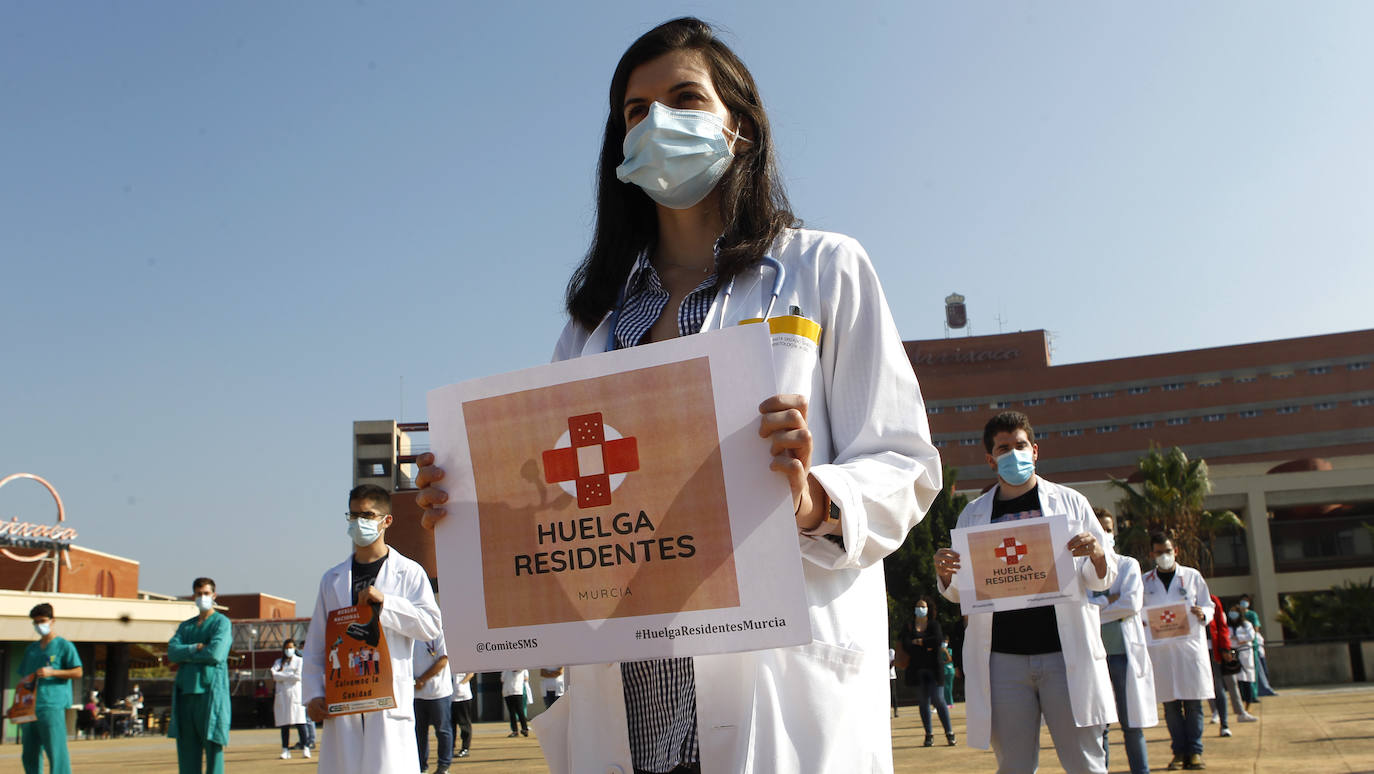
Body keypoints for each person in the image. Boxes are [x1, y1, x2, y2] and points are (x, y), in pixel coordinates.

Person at [414, 17, 941, 773]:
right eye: (637, 110)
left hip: (775, 687)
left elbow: (904, 462)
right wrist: (473, 520)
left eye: (686, 99)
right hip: (628, 694)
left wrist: (813, 500)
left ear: (740, 126)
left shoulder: (824, 269)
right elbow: (565, 505)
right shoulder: (591, 324)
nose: (659, 122)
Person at [935, 411, 1117, 774]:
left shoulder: (1070, 503)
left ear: (1034, 451)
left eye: (1020, 445)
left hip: (1065, 655)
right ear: (990, 460)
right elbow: (960, 593)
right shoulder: (973, 515)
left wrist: (1098, 553)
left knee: (1085, 763)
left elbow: (1101, 579)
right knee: (1014, 765)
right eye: (1004, 448)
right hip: (1003, 662)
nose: (1014, 454)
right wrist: (944, 573)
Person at [302, 484, 444, 774]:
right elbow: (317, 643)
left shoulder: (409, 572)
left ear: (386, 520)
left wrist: (387, 605)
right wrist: (314, 694)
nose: (359, 523)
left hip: (386, 698)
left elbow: (430, 626)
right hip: (344, 698)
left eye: (367, 515)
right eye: (353, 515)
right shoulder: (332, 579)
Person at [1089, 511, 1156, 774]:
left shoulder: (1128, 565)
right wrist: (1109, 600)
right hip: (1094, 658)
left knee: (1132, 724)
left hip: (1124, 656)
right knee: (1099, 726)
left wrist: (1094, 609)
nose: (1104, 534)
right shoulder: (1079, 571)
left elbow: (1131, 604)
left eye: (1108, 529)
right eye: (1099, 529)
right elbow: (1078, 609)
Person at [1142, 534, 1215, 771]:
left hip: (1188, 649)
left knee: (1193, 703)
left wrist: (1203, 614)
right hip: (1161, 652)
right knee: (1171, 707)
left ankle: (1195, 751)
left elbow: (1209, 605)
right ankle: (1179, 752)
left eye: (1167, 551)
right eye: (1159, 552)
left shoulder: (1192, 576)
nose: (1164, 556)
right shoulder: (1145, 582)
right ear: (1151, 554)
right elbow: (1136, 611)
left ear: (1176, 551)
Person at [168, 578, 232, 774]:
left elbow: (216, 653)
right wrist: (196, 647)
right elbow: (172, 652)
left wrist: (186, 655)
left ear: (214, 595)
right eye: (199, 594)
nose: (202, 597)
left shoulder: (221, 623)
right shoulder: (185, 627)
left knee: (213, 747)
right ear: (193, 596)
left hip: (210, 693)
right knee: (187, 751)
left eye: (206, 593)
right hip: (185, 693)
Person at [20, 602, 83, 774]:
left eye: (42, 621)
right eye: (35, 622)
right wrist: (17, 705)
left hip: (51, 705)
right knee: (29, 751)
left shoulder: (64, 646)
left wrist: (53, 672)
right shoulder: (31, 650)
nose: (39, 625)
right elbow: (23, 679)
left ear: (52, 621)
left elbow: (78, 671)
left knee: (56, 750)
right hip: (29, 706)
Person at [898, 596, 955, 747]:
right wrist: (925, 645)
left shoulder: (934, 624)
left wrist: (919, 641)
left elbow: (937, 641)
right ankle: (929, 734)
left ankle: (949, 732)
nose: (920, 609)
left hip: (935, 669)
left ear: (929, 609)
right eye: (918, 606)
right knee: (923, 702)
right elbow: (906, 644)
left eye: (923, 606)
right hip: (917, 670)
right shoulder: (909, 626)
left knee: (938, 699)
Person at [413, 635, 454, 773]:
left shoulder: (439, 634)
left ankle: (443, 766)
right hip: (417, 694)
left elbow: (443, 660)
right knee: (419, 732)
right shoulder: (412, 634)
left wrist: (422, 679)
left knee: (443, 730)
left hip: (438, 692)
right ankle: (421, 767)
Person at [271, 639, 312, 759]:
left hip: (295, 695)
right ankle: (285, 749)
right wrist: (290, 675)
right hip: (283, 696)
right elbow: (274, 675)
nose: (288, 650)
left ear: (294, 648)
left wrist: (282, 676)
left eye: (290, 647)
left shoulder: (300, 661)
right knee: (284, 725)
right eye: (286, 648)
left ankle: (306, 747)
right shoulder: (278, 662)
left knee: (300, 723)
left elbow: (298, 676)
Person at [1239, 594, 1278, 696]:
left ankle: (1261, 689)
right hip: (1241, 648)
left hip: (1251, 646)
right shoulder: (1238, 615)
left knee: (1258, 669)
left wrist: (1245, 638)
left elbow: (1255, 630)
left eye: (1246, 601)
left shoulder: (1252, 615)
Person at [1227, 606, 1258, 710]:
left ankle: (1248, 703)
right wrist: (1237, 640)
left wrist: (1237, 638)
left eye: (1234, 612)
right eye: (1231, 612)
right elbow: (1227, 638)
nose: (1232, 614)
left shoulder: (1246, 624)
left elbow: (1251, 636)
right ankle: (1239, 704)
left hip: (1245, 652)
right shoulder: (1228, 626)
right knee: (1236, 679)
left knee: (1246, 679)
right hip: (1233, 652)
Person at [450, 671, 474, 759]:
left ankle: (465, 748)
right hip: (449, 696)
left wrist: (461, 684)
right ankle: (450, 748)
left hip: (463, 696)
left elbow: (471, 673)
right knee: (450, 725)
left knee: (464, 724)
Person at [501, 668, 530, 738]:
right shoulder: (505, 669)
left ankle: (525, 729)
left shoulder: (522, 668)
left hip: (517, 691)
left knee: (520, 711)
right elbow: (502, 679)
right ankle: (515, 731)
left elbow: (525, 677)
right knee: (511, 712)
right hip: (507, 692)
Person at [939, 637, 956, 706]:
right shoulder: (939, 650)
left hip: (949, 671)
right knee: (942, 687)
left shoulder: (949, 650)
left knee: (948, 687)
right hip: (942, 670)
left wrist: (945, 651)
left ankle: (950, 703)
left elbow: (950, 659)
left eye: (945, 641)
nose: (944, 643)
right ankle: (943, 702)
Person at [888, 647, 899, 718]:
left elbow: (893, 661)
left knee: (893, 694)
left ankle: (895, 711)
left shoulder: (891, 651)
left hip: (891, 676)